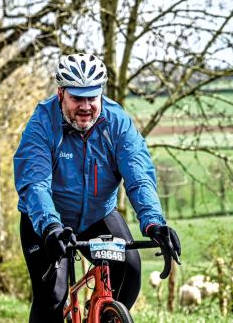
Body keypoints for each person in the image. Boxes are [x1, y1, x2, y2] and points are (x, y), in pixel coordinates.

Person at [14, 53, 181, 323]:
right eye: (77, 98)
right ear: (60, 93)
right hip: (46, 222)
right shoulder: (42, 124)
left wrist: (154, 224)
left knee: (131, 270)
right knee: (52, 296)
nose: (86, 106)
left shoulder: (117, 123)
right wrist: (50, 227)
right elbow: (35, 184)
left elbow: (139, 177)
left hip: (97, 215)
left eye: (92, 97)